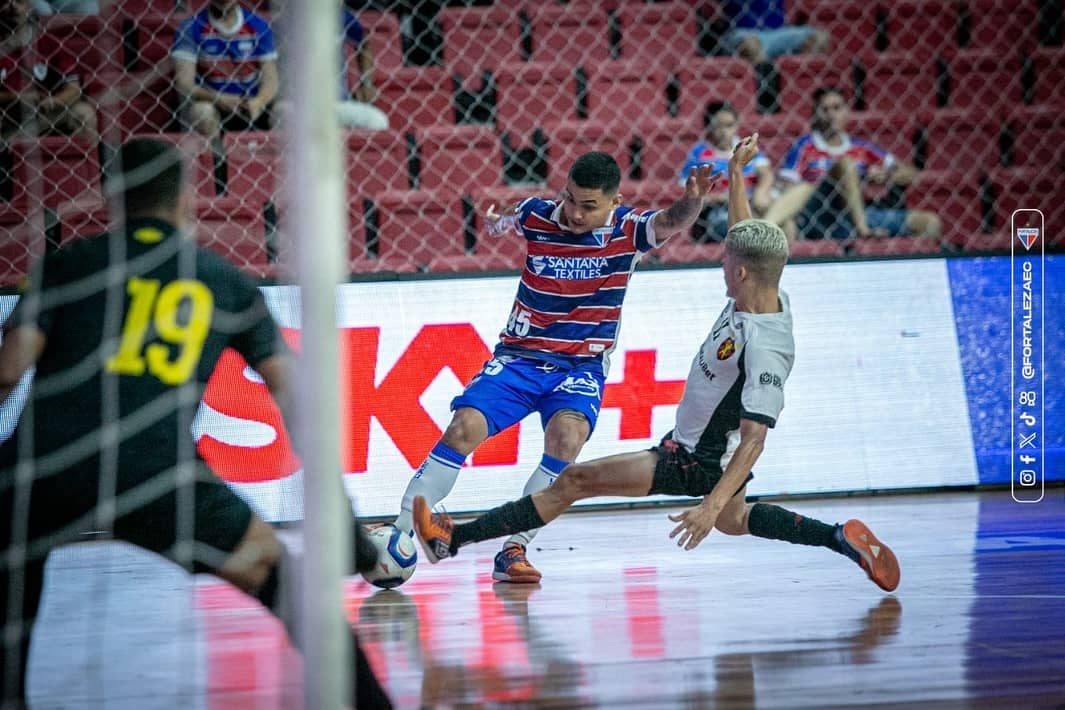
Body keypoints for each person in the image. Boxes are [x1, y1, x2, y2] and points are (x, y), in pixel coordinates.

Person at [410, 134, 901, 595]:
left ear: (743, 272)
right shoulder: (758, 294)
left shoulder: (765, 345)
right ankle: (842, 538)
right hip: (695, 450)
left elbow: (754, 440)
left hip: (700, 461)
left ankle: (453, 539)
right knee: (740, 519)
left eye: (728, 263)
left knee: (577, 481)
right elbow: (743, 236)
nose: (721, 266)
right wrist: (733, 174)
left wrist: (707, 507)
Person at [0, 138, 391, 708]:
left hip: (43, 466)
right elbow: (293, 399)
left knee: (12, 598)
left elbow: (8, 372)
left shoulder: (65, 266)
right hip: (156, 475)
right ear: (187, 199)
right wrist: (342, 517)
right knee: (282, 582)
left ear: (113, 198)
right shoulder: (223, 281)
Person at [391, 151, 720, 584]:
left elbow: (671, 221)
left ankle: (513, 548)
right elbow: (508, 219)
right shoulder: (537, 215)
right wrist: (495, 221)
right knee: (461, 429)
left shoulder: (626, 230)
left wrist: (693, 200)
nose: (576, 213)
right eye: (571, 200)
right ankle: (398, 534)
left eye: (590, 206)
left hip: (579, 367)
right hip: (518, 358)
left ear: (614, 201)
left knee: (567, 439)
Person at [764, 86, 942, 243]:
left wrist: (887, 175)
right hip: (818, 216)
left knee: (929, 222)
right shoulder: (804, 146)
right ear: (815, 114)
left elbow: (910, 173)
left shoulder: (861, 148)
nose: (831, 114)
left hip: (855, 212)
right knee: (846, 165)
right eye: (824, 109)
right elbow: (788, 186)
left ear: (847, 111)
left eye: (837, 108)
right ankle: (863, 231)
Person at [171, 0, 279, 140]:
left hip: (251, 104)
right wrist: (217, 98)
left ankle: (280, 160)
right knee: (202, 112)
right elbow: (184, 83)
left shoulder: (258, 25)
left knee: (286, 111)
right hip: (212, 103)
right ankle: (216, 159)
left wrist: (259, 101)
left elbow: (271, 80)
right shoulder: (190, 27)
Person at [0, 0, 98, 141]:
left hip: (45, 116)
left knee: (84, 113)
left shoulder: (49, 42)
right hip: (7, 117)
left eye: (19, 1)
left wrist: (53, 102)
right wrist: (16, 97)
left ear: (29, 6)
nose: (12, 6)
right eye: (5, 1)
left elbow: (74, 90)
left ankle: (89, 162)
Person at [679, 100, 773, 242]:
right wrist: (720, 198)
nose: (724, 132)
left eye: (729, 126)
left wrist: (761, 192)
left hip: (754, 203)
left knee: (787, 223)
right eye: (718, 126)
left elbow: (765, 173)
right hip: (720, 210)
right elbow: (685, 188)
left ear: (737, 124)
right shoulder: (700, 152)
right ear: (709, 127)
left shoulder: (745, 147)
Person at [719, 0, 828, 64]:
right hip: (742, 33)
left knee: (818, 37)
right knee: (751, 45)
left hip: (778, 33)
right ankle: (766, 91)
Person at [338, 3, 389, 131]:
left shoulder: (338, 15)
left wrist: (366, 84)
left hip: (337, 104)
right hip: (296, 106)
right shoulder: (286, 18)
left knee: (377, 122)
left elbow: (364, 44)